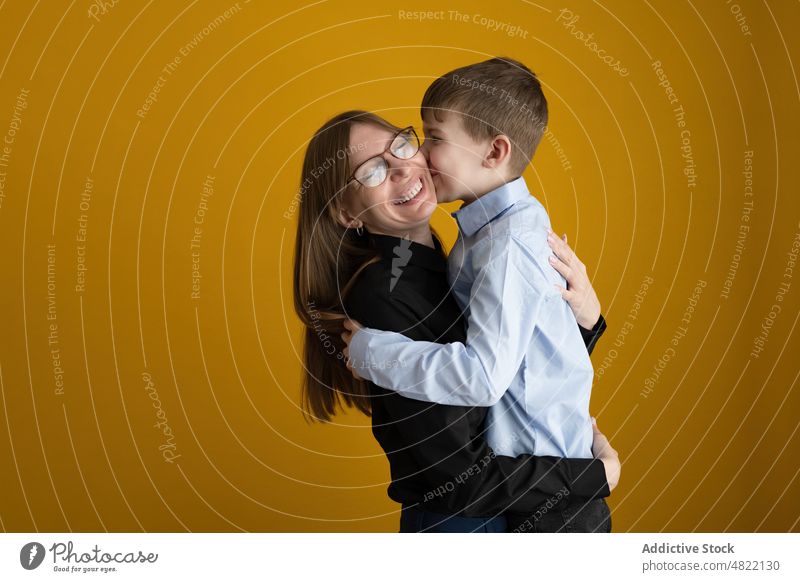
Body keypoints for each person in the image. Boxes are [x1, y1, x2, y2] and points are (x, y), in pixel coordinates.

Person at [293, 109, 620, 533]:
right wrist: (593, 477)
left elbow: (509, 379)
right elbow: (458, 478)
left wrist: (585, 319)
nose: (399, 168)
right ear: (347, 213)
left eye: (401, 145)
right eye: (371, 171)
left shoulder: (439, 261)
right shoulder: (385, 296)